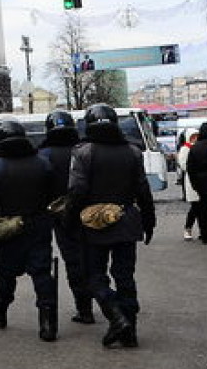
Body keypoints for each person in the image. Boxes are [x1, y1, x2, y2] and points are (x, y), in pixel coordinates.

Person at [66, 103, 155, 349]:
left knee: (94, 275)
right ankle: (130, 331)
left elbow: (77, 190)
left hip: (94, 225)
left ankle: (116, 316)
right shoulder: (133, 151)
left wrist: (69, 220)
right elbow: (143, 191)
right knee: (125, 277)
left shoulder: (83, 152)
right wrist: (149, 221)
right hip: (127, 221)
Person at [0, 117, 59, 342]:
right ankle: (48, 324)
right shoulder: (42, 162)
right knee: (42, 274)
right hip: (39, 226)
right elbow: (55, 197)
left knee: (5, 273)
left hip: (8, 229)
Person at [38, 109, 95, 325]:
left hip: (60, 216)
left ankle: (84, 309)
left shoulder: (44, 155)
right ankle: (102, 301)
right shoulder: (84, 150)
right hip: (88, 212)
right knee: (92, 260)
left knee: (73, 261)